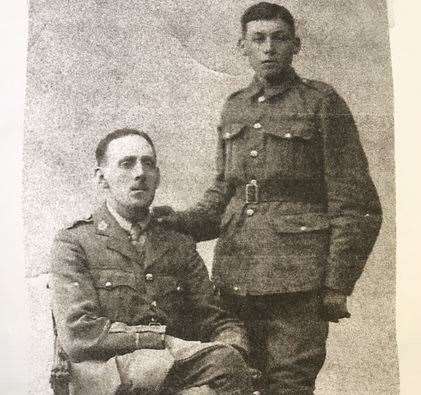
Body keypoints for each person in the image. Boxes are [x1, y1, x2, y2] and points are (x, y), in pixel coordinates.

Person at [156, 2, 382, 394]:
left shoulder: (321, 102)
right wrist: (176, 221)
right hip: (236, 276)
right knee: (233, 379)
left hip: (298, 280)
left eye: (279, 38)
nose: (268, 48)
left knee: (288, 385)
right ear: (241, 46)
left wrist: (336, 284)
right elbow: (222, 195)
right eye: (258, 39)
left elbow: (356, 204)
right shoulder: (235, 107)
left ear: (296, 45)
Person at [49, 128, 255, 394]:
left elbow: (214, 318)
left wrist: (233, 345)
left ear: (157, 177)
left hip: (175, 373)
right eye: (127, 163)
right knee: (222, 366)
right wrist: (160, 339)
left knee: (229, 363)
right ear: (102, 178)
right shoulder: (75, 242)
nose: (139, 173)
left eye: (148, 163)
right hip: (108, 376)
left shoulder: (177, 242)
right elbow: (78, 334)